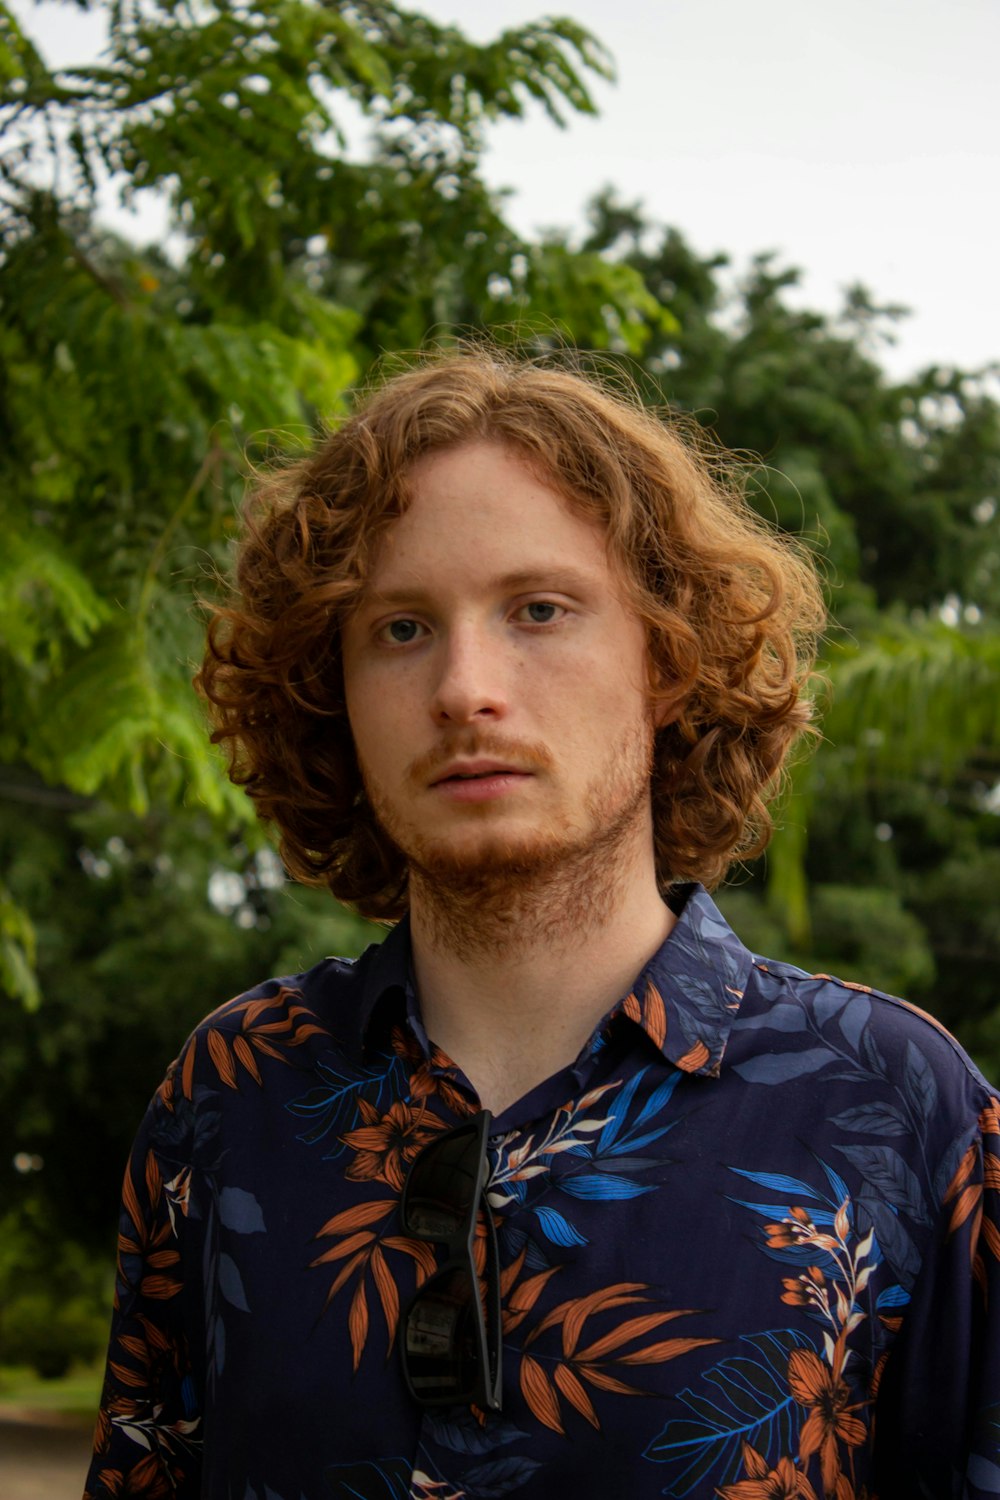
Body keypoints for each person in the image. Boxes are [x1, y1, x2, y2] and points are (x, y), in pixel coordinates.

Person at [85, 351, 999, 1500]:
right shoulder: (231, 1096)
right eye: (401, 629)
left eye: (539, 610)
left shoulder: (895, 1104)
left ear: (665, 661)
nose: (466, 686)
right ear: (336, 692)